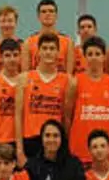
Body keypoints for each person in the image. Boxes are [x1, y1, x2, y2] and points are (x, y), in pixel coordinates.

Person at [15, 33, 70, 164]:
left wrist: (65, 146)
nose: (48, 52)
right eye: (44, 48)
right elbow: (18, 116)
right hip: (30, 140)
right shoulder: (24, 78)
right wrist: (19, 150)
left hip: (54, 141)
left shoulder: (67, 81)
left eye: (52, 48)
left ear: (58, 53)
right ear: (38, 52)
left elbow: (66, 118)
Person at [66, 36, 109, 165]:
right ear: (84, 57)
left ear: (104, 57)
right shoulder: (75, 82)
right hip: (79, 149)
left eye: (97, 54)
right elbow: (67, 116)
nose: (94, 57)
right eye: (90, 54)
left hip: (106, 151)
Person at [22, 0, 74, 75]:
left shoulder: (68, 42)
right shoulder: (28, 43)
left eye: (51, 11)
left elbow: (69, 75)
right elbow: (25, 75)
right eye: (43, 11)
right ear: (38, 16)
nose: (47, 14)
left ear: (56, 15)